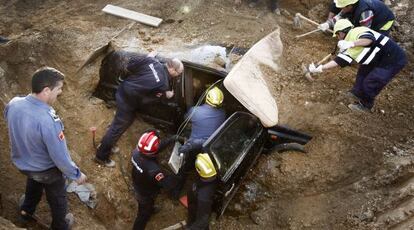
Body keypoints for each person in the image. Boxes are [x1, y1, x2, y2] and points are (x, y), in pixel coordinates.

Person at [4, 67, 87, 229]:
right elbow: (59, 156)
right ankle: (60, 225)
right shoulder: (48, 120)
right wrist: (75, 174)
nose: (60, 92)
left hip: (24, 164)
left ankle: (26, 211)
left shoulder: (14, 104)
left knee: (34, 182)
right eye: (59, 89)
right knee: (57, 198)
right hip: (46, 171)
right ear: (47, 90)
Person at [95, 53, 184, 167]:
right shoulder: (163, 84)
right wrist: (166, 95)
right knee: (117, 128)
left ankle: (108, 143)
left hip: (122, 90)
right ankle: (101, 156)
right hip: (128, 102)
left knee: (124, 121)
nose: (178, 75)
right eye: (178, 73)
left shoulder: (152, 61)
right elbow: (149, 100)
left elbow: (131, 66)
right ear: (172, 69)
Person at [309, 19, 407, 112]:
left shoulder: (357, 31)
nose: (338, 38)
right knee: (362, 74)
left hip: (392, 59)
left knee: (371, 81)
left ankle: (366, 105)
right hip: (376, 59)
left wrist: (351, 44)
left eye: (337, 35)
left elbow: (369, 40)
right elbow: (340, 60)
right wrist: (321, 68)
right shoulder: (347, 43)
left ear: (342, 32)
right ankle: (356, 93)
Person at [174, 87, 225, 196]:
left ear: (207, 98)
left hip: (193, 147)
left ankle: (176, 191)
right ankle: (196, 189)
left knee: (184, 168)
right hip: (210, 150)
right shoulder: (222, 113)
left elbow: (185, 118)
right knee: (203, 173)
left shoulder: (195, 111)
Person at [131, 130, 178, 230]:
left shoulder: (136, 152)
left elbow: (155, 149)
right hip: (145, 193)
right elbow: (167, 185)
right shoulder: (154, 170)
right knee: (142, 215)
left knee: (147, 205)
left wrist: (171, 139)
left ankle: (150, 209)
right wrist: (177, 174)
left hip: (138, 183)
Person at [319, 0, 394, 36]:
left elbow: (364, 31)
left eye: (343, 7)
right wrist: (328, 24)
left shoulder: (365, 12)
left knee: (377, 39)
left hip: (384, 21)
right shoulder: (349, 6)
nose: (342, 9)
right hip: (370, 18)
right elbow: (339, 16)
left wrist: (351, 43)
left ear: (350, 6)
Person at [186, 153, 218, 230]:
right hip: (196, 208)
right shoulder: (212, 179)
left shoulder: (202, 194)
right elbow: (202, 221)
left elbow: (202, 221)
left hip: (196, 209)